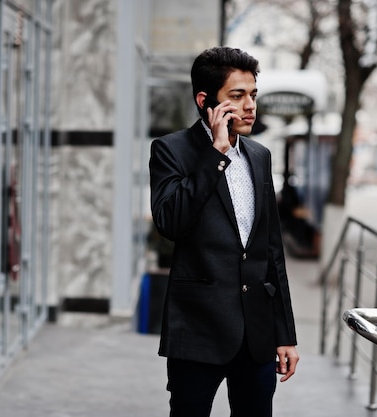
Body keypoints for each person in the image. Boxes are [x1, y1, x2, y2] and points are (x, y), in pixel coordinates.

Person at [148, 46, 299, 417]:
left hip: (257, 333)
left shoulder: (259, 155)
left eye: (253, 94)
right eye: (237, 96)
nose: (250, 105)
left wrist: (285, 335)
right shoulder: (172, 151)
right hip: (198, 328)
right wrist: (216, 154)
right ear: (205, 101)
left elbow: (271, 252)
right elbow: (170, 222)